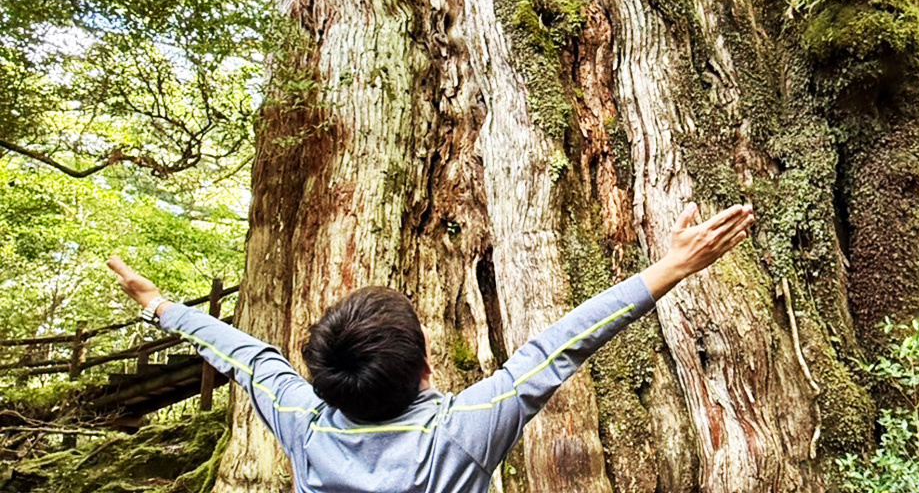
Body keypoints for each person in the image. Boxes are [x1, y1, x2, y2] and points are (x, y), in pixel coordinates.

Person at [107, 201, 754, 493]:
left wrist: (159, 305)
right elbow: (559, 348)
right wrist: (671, 267)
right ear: (426, 367)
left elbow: (246, 356)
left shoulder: (303, 425)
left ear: (322, 381)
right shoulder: (462, 431)